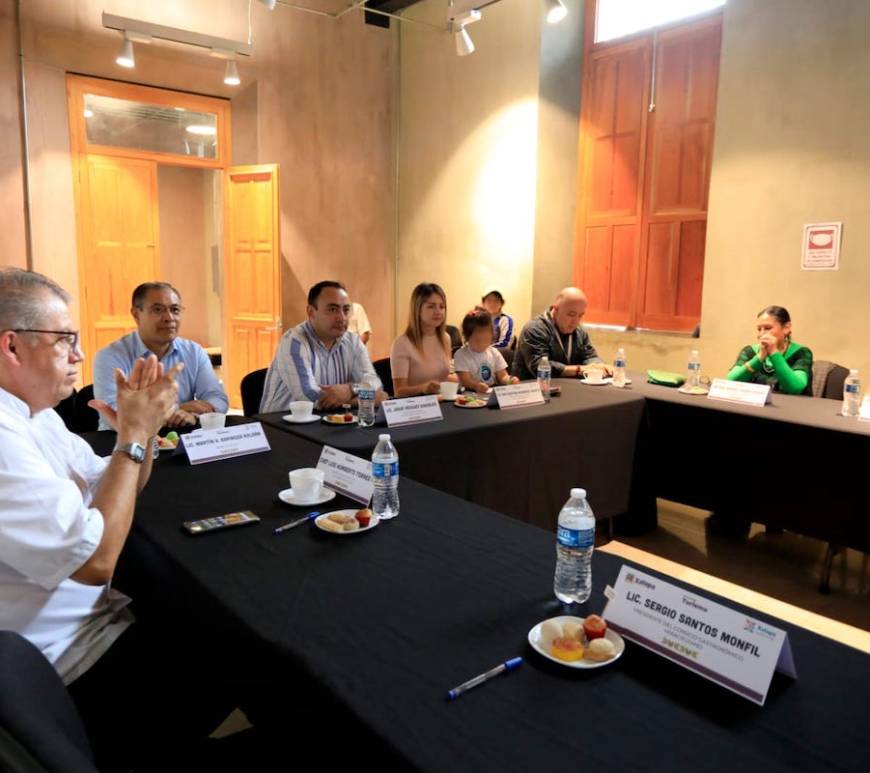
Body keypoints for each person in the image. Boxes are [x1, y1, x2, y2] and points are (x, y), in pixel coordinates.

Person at [0, 268, 243, 771]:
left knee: (218, 608)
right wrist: (131, 435)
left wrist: (143, 433)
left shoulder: (36, 414)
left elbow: (117, 483)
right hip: (67, 668)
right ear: (12, 347)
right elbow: (95, 562)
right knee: (249, 654)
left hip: (96, 623)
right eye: (64, 339)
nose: (78, 355)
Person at [93, 282, 228, 430]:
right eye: (157, 310)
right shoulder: (109, 357)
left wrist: (195, 415)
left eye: (175, 310)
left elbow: (217, 398)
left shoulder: (194, 351)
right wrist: (175, 410)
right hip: (122, 439)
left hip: (178, 437)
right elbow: (115, 415)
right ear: (136, 314)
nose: (169, 318)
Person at [259, 281, 386, 412]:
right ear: (311, 312)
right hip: (279, 422)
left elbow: (375, 383)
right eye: (332, 309)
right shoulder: (294, 342)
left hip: (328, 420)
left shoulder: (353, 342)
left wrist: (350, 389)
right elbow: (311, 398)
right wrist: (362, 400)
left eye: (346, 310)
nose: (342, 318)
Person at [512, 287, 610, 381]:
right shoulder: (535, 329)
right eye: (571, 314)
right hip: (531, 388)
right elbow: (539, 367)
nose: (576, 321)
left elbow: (590, 356)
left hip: (566, 387)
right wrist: (579, 370)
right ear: (556, 309)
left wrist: (599, 366)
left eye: (580, 315)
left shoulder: (579, 331)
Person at [725, 305, 813, 395]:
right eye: (759, 329)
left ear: (786, 328)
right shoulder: (750, 351)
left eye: (767, 328)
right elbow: (730, 382)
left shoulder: (801, 352)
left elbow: (795, 388)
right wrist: (759, 358)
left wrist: (774, 353)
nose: (761, 334)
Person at [390, 282, 456, 397]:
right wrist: (423, 388)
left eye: (442, 307)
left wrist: (464, 379)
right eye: (431, 306)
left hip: (441, 401)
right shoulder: (401, 343)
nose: (438, 312)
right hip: (416, 405)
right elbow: (399, 391)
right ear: (417, 309)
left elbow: (443, 377)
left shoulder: (446, 338)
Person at [454, 308, 519, 392]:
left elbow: (502, 376)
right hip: (471, 392)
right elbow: (465, 380)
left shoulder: (494, 352)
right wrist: (476, 386)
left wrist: (510, 380)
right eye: (477, 340)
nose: (482, 344)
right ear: (467, 337)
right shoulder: (461, 354)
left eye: (486, 340)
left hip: (491, 391)